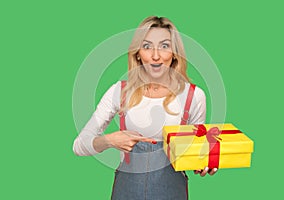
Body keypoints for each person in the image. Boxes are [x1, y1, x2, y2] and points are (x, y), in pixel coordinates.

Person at [73, 16, 217, 200]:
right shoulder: (119, 91)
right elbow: (79, 145)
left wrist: (204, 162)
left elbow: (196, 152)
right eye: (147, 46)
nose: (155, 55)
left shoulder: (194, 96)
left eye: (164, 46)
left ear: (174, 53)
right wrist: (109, 140)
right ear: (138, 53)